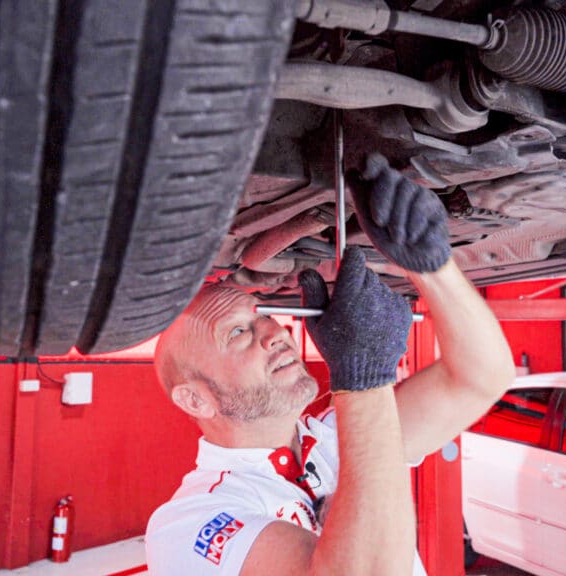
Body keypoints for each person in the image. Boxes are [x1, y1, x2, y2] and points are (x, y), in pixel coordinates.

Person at [145, 154, 515, 575]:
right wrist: (363, 381)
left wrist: (430, 267)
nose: (275, 333)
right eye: (237, 333)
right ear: (195, 399)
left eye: (262, 317)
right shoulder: (189, 523)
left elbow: (482, 377)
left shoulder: (336, 438)